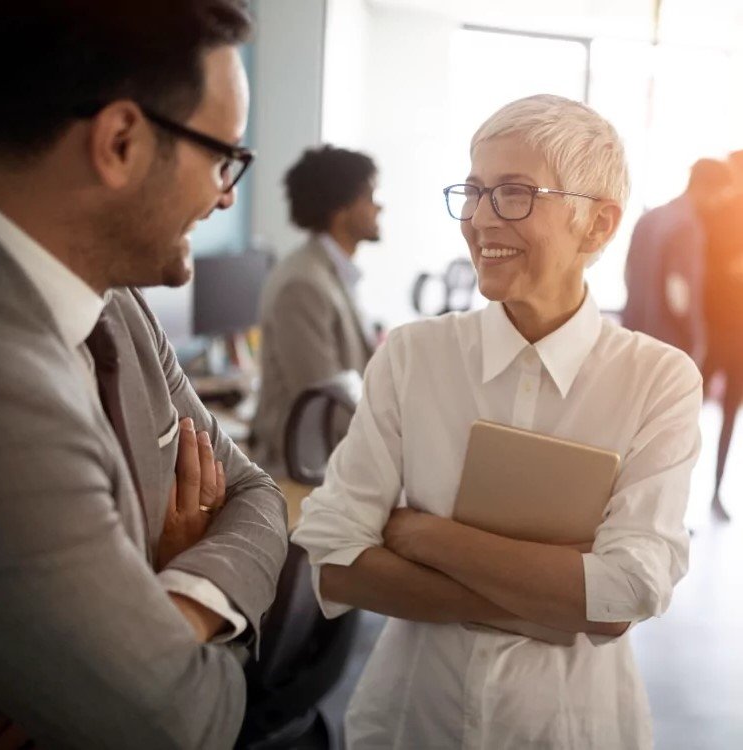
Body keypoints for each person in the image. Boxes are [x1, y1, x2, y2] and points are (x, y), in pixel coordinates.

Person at [292, 94, 702, 749]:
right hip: (413, 720)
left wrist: (423, 538)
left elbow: (629, 587)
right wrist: (556, 599)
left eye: (513, 193)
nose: (480, 219)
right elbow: (335, 562)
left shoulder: (657, 380)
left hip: (568, 728)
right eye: (474, 192)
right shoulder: (412, 355)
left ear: (597, 226)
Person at [0, 2, 287, 748]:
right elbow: (176, 722)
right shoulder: (7, 389)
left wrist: (171, 603)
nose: (226, 194)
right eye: (224, 157)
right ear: (120, 141)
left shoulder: (119, 306)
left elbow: (256, 493)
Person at [251, 145, 381, 469]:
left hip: (331, 461)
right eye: (369, 196)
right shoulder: (303, 285)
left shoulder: (333, 274)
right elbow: (328, 406)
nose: (379, 207)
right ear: (341, 210)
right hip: (301, 472)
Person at [623, 158, 732, 365]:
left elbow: (628, 274)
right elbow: (679, 293)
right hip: (666, 344)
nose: (719, 203)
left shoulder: (649, 218)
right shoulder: (688, 227)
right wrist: (696, 340)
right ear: (708, 187)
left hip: (632, 335)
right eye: (721, 195)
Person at [701, 151, 743, 519]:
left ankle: (716, 491)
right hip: (712, 330)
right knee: (687, 410)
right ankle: (676, 496)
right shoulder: (713, 214)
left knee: (730, 413)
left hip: (738, 335)